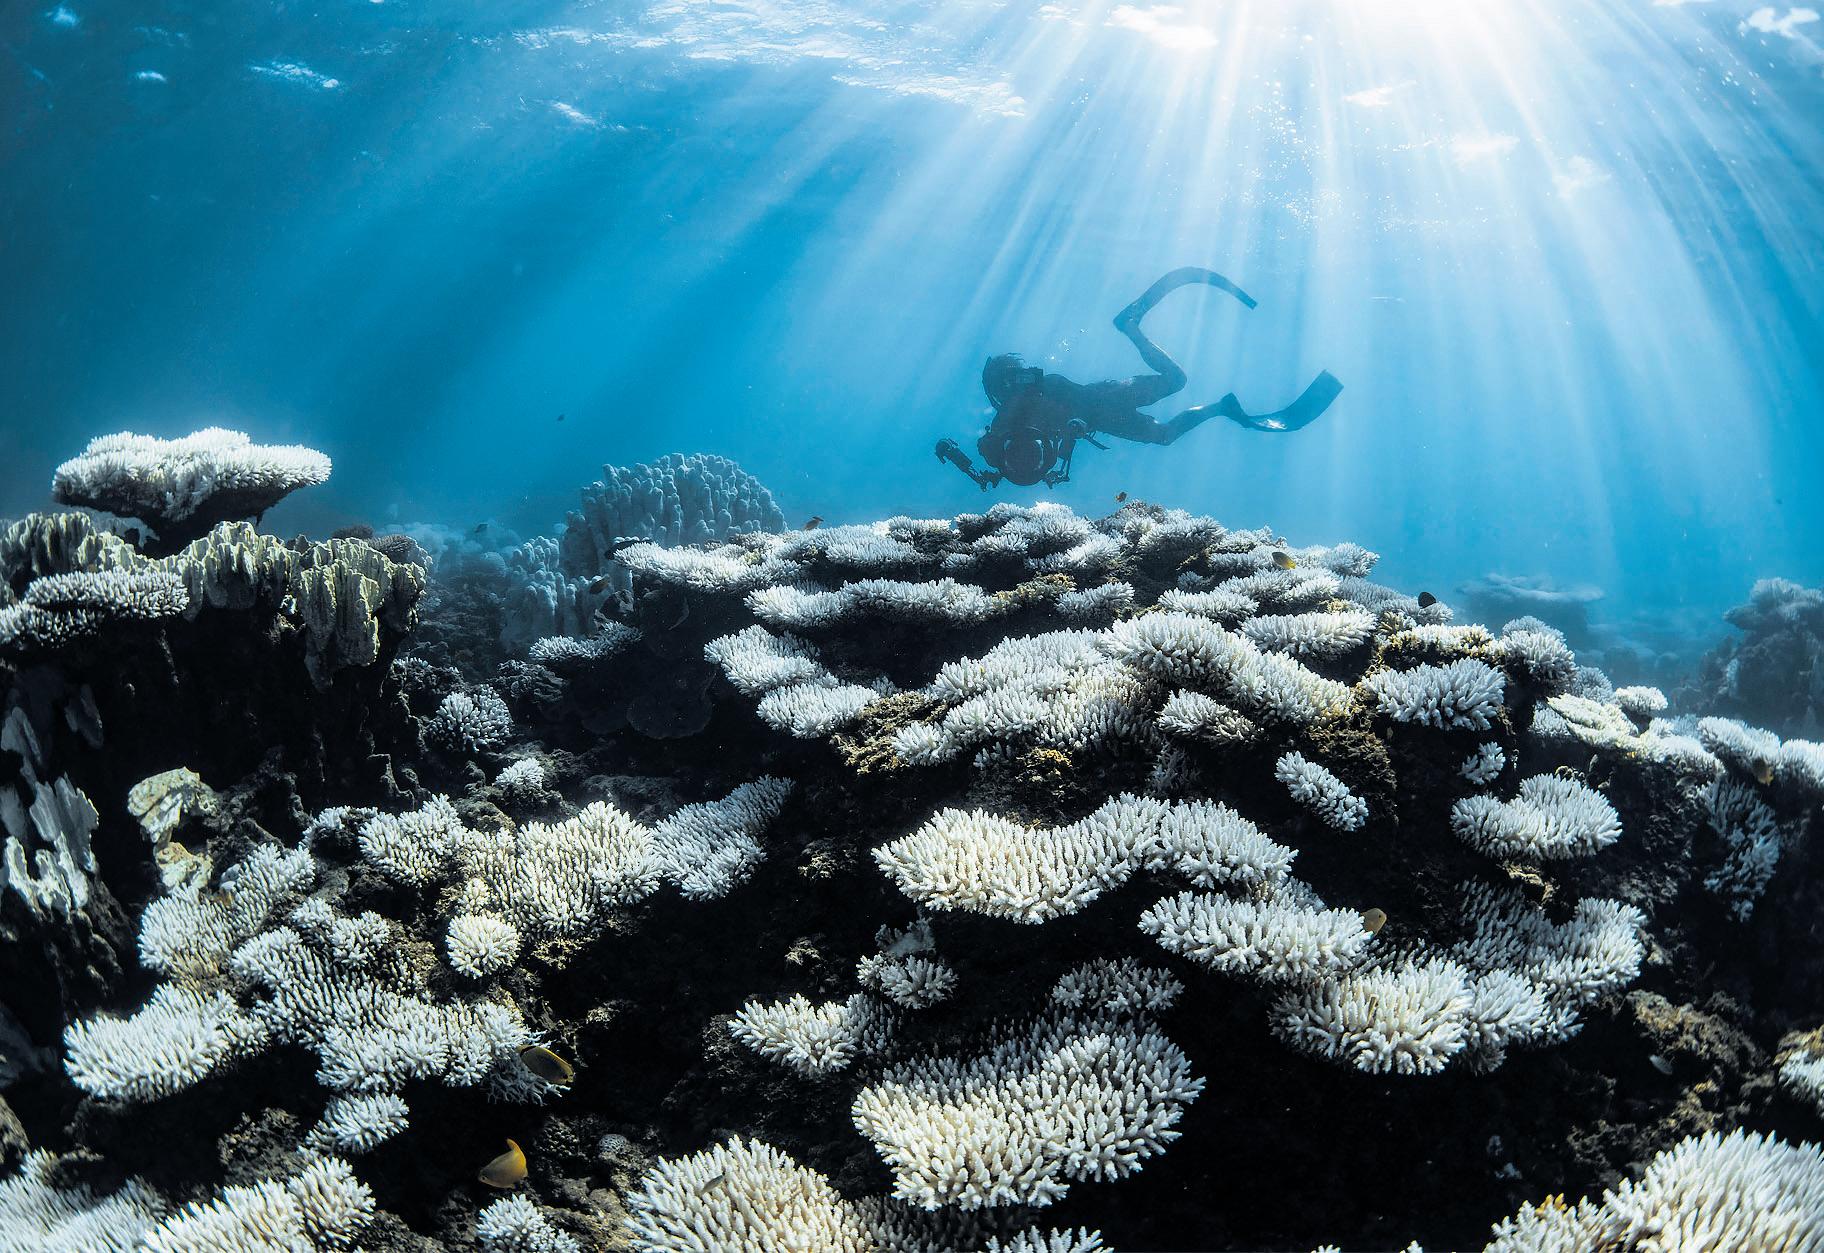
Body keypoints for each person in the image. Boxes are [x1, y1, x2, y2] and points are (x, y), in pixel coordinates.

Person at [935, 266, 1343, 488]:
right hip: (1102, 415)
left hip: (1101, 402)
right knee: (1165, 432)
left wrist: (1068, 422)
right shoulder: (1005, 435)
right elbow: (989, 450)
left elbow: (1058, 392)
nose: (1026, 458)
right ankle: (1220, 407)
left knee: (1175, 383)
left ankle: (1130, 326)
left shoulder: (1008, 421)